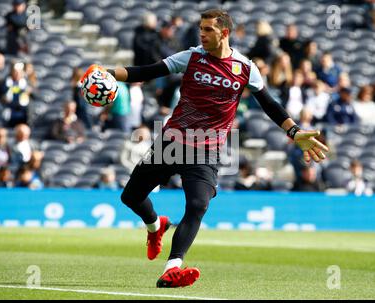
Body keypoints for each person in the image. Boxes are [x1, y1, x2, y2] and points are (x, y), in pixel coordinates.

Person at [81, 9, 329, 288]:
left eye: (208, 29)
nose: (202, 33)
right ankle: (155, 225)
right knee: (131, 197)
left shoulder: (245, 68)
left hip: (206, 149)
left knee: (198, 205)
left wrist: (294, 132)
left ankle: (172, 267)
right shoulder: (191, 57)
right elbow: (148, 71)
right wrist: (109, 72)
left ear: (224, 33)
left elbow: (269, 104)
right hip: (172, 142)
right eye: (201, 28)